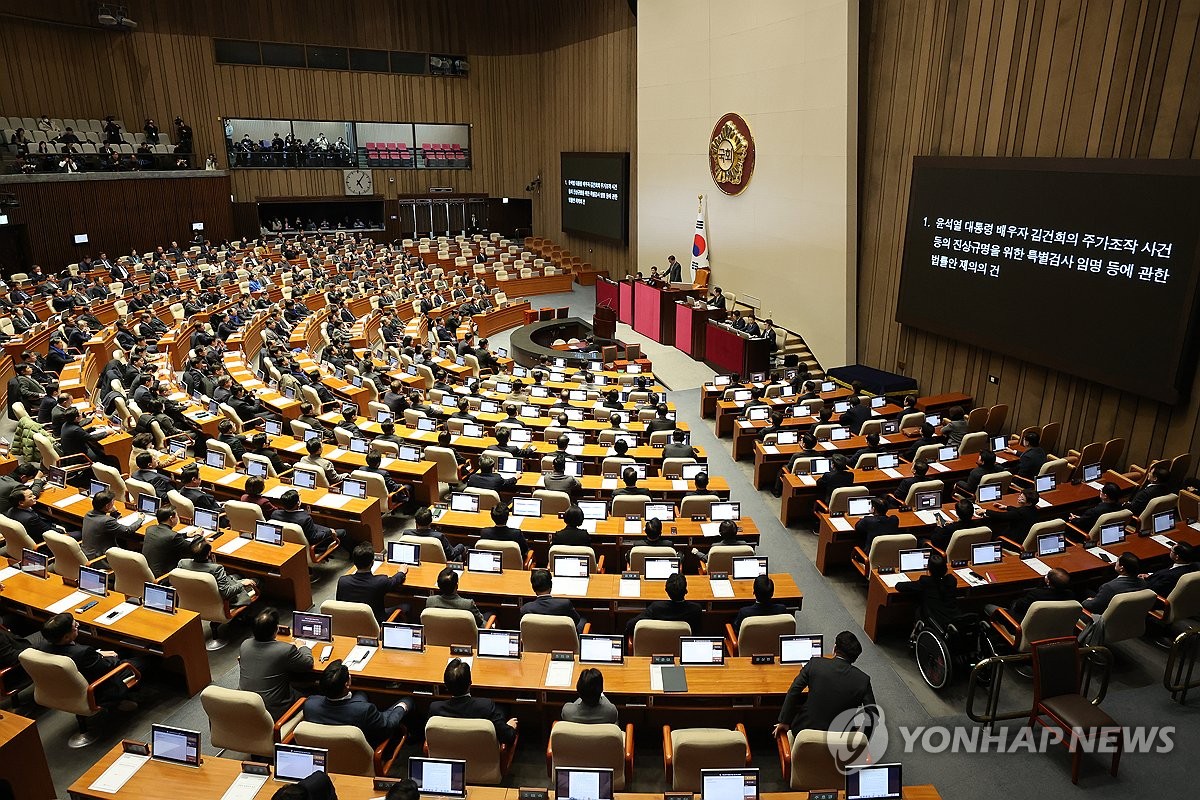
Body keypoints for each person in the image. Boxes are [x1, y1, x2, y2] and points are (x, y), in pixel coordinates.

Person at [773, 630, 875, 735]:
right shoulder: (863, 680)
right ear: (855, 657)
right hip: (841, 739)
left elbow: (794, 690)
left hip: (806, 731)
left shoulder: (815, 664)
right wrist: (862, 739)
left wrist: (784, 721)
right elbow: (872, 714)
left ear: (835, 648)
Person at [41, 613, 139, 710]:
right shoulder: (83, 652)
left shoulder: (43, 647)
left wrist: (98, 654)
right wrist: (111, 656)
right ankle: (122, 700)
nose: (78, 625)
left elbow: (78, 655)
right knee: (145, 660)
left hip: (68, 688)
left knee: (123, 650)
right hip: (99, 688)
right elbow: (108, 666)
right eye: (75, 626)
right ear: (66, 637)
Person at [303, 659, 413, 746]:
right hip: (365, 749)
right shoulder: (365, 710)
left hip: (330, 749)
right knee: (408, 700)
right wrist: (401, 707)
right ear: (347, 684)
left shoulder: (310, 704)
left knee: (361, 693)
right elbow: (387, 726)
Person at [239, 607, 314, 719]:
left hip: (245, 705)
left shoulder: (245, 644)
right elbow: (308, 663)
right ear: (276, 630)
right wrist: (303, 646)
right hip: (274, 711)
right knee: (313, 693)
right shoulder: (285, 650)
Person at [429, 658, 518, 744]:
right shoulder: (486, 707)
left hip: (448, 754)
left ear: (446, 686)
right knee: (503, 708)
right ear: (470, 683)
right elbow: (508, 737)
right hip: (482, 756)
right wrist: (510, 727)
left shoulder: (435, 709)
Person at [337, 542, 408, 622]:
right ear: (372, 562)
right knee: (406, 606)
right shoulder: (380, 581)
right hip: (375, 622)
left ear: (354, 562)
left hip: (350, 621)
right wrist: (401, 572)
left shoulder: (342, 581)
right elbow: (395, 581)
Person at [178, 536, 258, 607]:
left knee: (238, 575)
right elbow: (226, 593)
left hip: (196, 597)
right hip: (224, 600)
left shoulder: (182, 563)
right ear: (209, 553)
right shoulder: (216, 569)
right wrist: (242, 583)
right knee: (257, 580)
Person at [626, 572, 702, 638]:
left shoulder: (656, 608)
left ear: (666, 591)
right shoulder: (696, 610)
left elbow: (630, 625)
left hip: (656, 646)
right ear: (686, 591)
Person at [895, 552, 959, 629]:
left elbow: (899, 586)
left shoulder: (926, 582)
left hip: (937, 621)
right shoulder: (952, 580)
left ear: (929, 569)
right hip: (954, 618)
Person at [985, 567, 1073, 622]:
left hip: (1022, 624)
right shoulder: (1070, 595)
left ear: (1048, 581)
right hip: (1052, 626)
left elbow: (1019, 607)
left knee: (988, 606)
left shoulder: (1036, 595)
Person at [81, 491, 144, 561]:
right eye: (113, 502)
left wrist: (114, 512)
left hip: (87, 554)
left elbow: (109, 524)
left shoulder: (88, 514)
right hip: (99, 559)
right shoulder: (106, 521)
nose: (114, 503)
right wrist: (140, 519)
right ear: (107, 506)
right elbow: (127, 530)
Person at [272, 489, 345, 549]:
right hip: (310, 544)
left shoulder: (275, 514)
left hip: (289, 543)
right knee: (342, 532)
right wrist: (329, 531)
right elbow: (314, 539)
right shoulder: (305, 519)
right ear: (298, 503)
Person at [519, 568, 584, 631]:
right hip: (563, 639)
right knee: (583, 619)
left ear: (533, 588)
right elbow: (576, 621)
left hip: (538, 640)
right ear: (551, 585)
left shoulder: (525, 609)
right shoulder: (564, 604)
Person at [1082, 552, 1146, 614]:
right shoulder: (1143, 583)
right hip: (1131, 617)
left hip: (1104, 620)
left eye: (1117, 561)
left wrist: (1087, 601)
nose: (1115, 562)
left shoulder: (1110, 588)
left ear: (1121, 568)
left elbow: (1093, 607)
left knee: (1082, 592)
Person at [142, 505, 193, 577]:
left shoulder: (149, 529)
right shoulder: (173, 536)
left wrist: (186, 535)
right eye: (177, 516)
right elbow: (193, 547)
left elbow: (166, 536)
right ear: (171, 518)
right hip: (163, 576)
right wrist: (199, 536)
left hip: (147, 571)